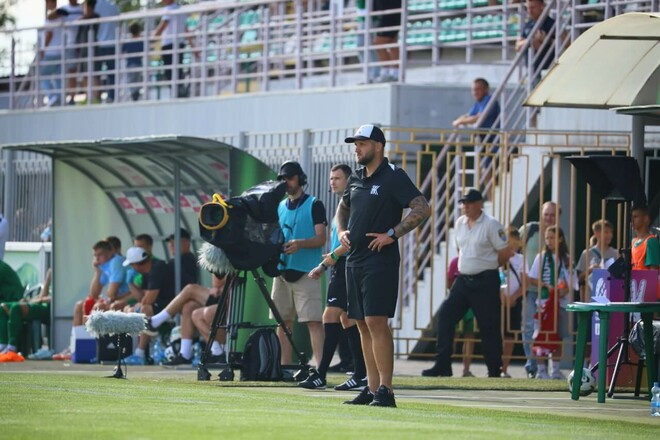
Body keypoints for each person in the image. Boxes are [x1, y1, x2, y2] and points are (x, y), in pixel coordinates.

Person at [337, 124, 430, 407]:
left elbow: (421, 208)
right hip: (354, 261)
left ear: (378, 146)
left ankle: (386, 391)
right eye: (356, 144)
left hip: (380, 262)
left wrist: (392, 234)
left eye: (362, 143)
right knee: (362, 324)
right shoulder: (355, 178)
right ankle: (371, 386)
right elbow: (343, 207)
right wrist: (341, 230)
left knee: (377, 322)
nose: (357, 148)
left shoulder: (393, 177)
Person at [422, 188, 511, 379]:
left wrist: (487, 267)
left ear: (480, 204)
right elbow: (460, 248)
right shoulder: (460, 223)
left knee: (489, 326)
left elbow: (505, 252)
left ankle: (494, 371)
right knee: (445, 316)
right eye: (463, 203)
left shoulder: (492, 224)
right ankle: (443, 365)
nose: (465, 206)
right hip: (463, 280)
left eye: (469, 203)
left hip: (485, 280)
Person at [299, 164, 367, 391]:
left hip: (345, 264)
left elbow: (348, 243)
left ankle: (321, 374)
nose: (332, 182)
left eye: (337, 178)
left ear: (349, 181)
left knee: (330, 316)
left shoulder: (352, 205)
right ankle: (360, 374)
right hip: (340, 265)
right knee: (347, 320)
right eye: (331, 178)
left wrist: (325, 263)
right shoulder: (342, 206)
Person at [271, 160, 327, 368]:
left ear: (300, 179)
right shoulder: (279, 206)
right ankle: (284, 366)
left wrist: (300, 244)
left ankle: (320, 367)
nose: (285, 182)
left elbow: (321, 238)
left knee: (313, 321)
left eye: (289, 178)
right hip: (282, 271)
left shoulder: (314, 204)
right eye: (283, 178)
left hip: (307, 272)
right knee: (283, 322)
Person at [53, 239, 130, 360]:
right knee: (80, 305)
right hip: (114, 300)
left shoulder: (116, 261)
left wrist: (104, 298)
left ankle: (89, 347)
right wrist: (98, 272)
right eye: (95, 255)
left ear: (110, 252)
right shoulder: (105, 266)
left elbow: (111, 293)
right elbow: (94, 293)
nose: (97, 258)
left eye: (100, 255)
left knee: (96, 307)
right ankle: (75, 345)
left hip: (126, 299)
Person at [143, 273, 227, 365]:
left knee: (190, 289)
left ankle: (155, 322)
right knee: (188, 307)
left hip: (229, 301)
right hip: (222, 298)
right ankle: (185, 354)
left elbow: (218, 283)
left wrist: (219, 287)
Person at [518, 200, 559, 378]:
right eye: (546, 214)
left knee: (549, 328)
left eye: (552, 215)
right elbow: (514, 250)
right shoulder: (529, 230)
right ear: (541, 215)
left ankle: (548, 368)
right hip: (530, 287)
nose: (549, 218)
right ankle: (531, 365)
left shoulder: (558, 234)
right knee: (528, 327)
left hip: (549, 291)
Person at [526, 225, 572, 380]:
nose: (549, 241)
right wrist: (545, 285)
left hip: (561, 302)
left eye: (552, 237)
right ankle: (541, 370)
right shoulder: (541, 257)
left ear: (559, 239)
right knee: (541, 335)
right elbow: (532, 277)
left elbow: (571, 280)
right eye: (547, 238)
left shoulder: (565, 258)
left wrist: (564, 288)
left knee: (557, 336)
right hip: (544, 302)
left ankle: (555, 370)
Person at [121, 246, 179, 365]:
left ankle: (140, 353)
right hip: (161, 304)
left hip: (173, 304)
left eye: (132, 265)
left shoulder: (157, 267)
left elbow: (149, 299)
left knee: (144, 309)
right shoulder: (146, 272)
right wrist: (130, 283)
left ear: (137, 264)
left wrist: (138, 306)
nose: (132, 268)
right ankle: (140, 352)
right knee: (132, 308)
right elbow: (141, 297)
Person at [0, 268, 52, 362]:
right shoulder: (53, 272)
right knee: (2, 307)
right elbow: (42, 295)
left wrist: (34, 301)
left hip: (50, 309)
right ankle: (2, 345)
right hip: (39, 304)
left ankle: (12, 347)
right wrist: (48, 279)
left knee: (16, 308)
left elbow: (52, 299)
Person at [154, 0, 196, 98]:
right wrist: (193, 46)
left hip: (169, 45)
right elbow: (186, 30)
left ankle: (177, 93)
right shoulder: (180, 10)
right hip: (179, 44)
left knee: (170, 72)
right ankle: (179, 92)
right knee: (177, 71)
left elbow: (162, 26)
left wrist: (151, 39)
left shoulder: (169, 9)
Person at [446, 255, 476, 378]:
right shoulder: (455, 262)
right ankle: (447, 365)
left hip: (471, 305)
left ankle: (466, 369)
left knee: (469, 336)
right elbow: (449, 282)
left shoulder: (475, 261)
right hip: (458, 303)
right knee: (454, 335)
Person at [500, 227, 524, 378]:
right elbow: (496, 279)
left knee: (510, 335)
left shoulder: (521, 259)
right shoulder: (499, 257)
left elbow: (525, 282)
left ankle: (505, 368)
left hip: (514, 301)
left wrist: (514, 297)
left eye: (513, 242)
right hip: (499, 300)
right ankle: (496, 366)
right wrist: (503, 298)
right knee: (497, 334)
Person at [48, 0, 83, 105]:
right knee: (70, 72)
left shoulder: (82, 8)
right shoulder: (64, 9)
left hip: (82, 43)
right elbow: (50, 17)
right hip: (69, 45)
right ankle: (70, 98)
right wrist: (58, 12)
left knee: (81, 72)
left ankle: (74, 97)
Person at [576, 219, 619, 300]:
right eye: (606, 232)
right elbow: (578, 279)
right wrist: (590, 270)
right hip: (591, 299)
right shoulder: (587, 254)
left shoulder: (615, 254)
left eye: (611, 232)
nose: (610, 235)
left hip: (610, 298)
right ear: (597, 234)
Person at [515, 0, 556, 83]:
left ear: (542, 6)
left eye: (533, 7)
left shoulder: (551, 23)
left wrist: (546, 40)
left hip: (548, 70)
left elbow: (566, 43)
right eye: (528, 8)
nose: (530, 11)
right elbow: (517, 46)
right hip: (532, 70)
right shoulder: (528, 24)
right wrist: (529, 42)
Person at [91, 0, 120, 103]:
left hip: (98, 44)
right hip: (112, 44)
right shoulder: (114, 7)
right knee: (112, 73)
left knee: (95, 73)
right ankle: (111, 97)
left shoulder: (93, 5)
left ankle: (96, 98)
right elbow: (118, 25)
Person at [40, 0, 65, 107]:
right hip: (61, 51)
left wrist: (43, 49)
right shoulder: (62, 18)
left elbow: (49, 35)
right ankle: (59, 98)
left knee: (42, 74)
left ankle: (52, 96)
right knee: (59, 77)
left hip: (51, 52)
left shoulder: (50, 19)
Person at [372, 0, 401, 82]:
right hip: (388, 13)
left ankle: (387, 70)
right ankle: (392, 72)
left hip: (392, 14)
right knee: (392, 43)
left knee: (379, 42)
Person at [356, 0, 380, 84]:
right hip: (362, 18)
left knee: (367, 45)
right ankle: (370, 75)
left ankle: (374, 74)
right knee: (363, 46)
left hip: (369, 17)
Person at [630, 206, 660, 272]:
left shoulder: (651, 241)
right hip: (634, 280)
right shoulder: (633, 241)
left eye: (636, 217)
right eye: (632, 217)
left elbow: (653, 271)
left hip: (645, 281)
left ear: (645, 219)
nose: (632, 220)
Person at [122, 21, 144, 101]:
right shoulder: (140, 42)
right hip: (138, 64)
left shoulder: (128, 42)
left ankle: (133, 94)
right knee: (137, 80)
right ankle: (136, 94)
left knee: (131, 81)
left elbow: (122, 52)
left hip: (130, 64)